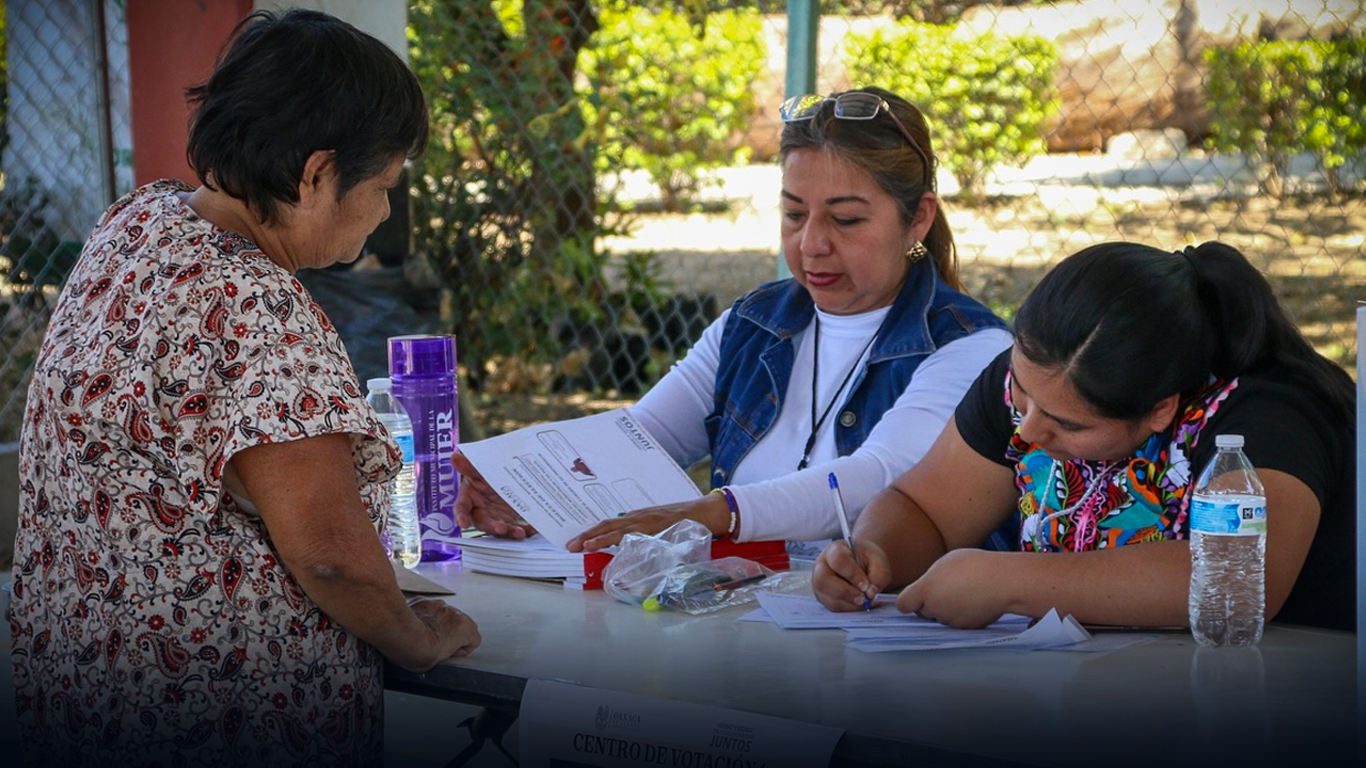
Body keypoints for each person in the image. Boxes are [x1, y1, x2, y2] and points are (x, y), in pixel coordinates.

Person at [9, 10, 480, 767]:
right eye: (385, 184)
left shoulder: (139, 223)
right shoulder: (256, 308)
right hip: (219, 716)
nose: (387, 210)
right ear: (318, 173)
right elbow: (330, 555)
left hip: (85, 687)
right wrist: (418, 640)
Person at [454, 87, 1015, 559]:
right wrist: (519, 487)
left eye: (846, 219)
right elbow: (639, 439)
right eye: (794, 214)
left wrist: (710, 513)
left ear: (918, 217)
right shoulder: (754, 323)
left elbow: (880, 479)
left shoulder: (974, 349)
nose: (812, 244)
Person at [813, 240, 1355, 632]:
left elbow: (1235, 579)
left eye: (1068, 424)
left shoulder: (1263, 418)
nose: (1027, 428)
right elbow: (924, 508)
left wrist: (1011, 581)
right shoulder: (1035, 383)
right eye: (1021, 393)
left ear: (1160, 411)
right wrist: (874, 552)